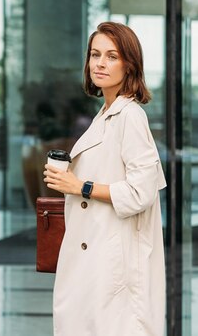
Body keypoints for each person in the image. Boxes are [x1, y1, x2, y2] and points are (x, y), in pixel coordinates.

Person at [43, 22, 167, 336]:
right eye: (95, 54)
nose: (100, 63)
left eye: (112, 56)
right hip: (95, 254)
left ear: (129, 66)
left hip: (114, 264)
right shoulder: (106, 113)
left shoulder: (130, 115)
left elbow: (141, 193)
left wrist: (79, 186)